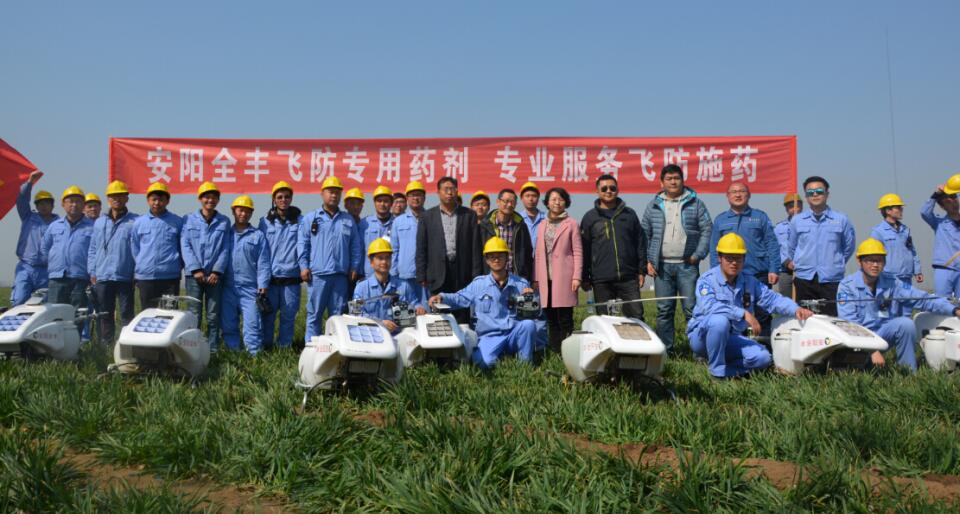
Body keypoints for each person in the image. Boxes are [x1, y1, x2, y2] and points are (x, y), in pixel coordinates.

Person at [687, 233, 814, 379]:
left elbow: (772, 299)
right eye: (729, 258)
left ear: (744, 260)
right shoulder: (707, 280)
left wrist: (796, 309)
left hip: (731, 337)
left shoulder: (749, 281)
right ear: (720, 258)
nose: (734, 263)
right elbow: (710, 306)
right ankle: (717, 374)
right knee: (719, 322)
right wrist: (743, 314)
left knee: (763, 358)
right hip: (702, 337)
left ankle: (727, 372)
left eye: (738, 259)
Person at [837, 239, 960, 372]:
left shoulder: (893, 283)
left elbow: (923, 299)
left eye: (879, 260)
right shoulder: (847, 286)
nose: (875, 265)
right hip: (857, 340)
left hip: (882, 335)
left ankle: (908, 373)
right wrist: (872, 350)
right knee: (855, 367)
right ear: (859, 261)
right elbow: (850, 325)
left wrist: (954, 309)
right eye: (870, 260)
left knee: (905, 324)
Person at [428, 237, 536, 369]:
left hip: (513, 332)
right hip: (490, 336)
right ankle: (500, 354)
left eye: (500, 256)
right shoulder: (479, 284)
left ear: (507, 258)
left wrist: (531, 298)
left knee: (528, 325)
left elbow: (537, 313)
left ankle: (525, 365)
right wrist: (441, 297)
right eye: (492, 257)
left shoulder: (521, 284)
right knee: (484, 364)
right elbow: (459, 298)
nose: (496, 260)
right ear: (487, 260)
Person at [641, 165, 712, 352]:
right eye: (669, 178)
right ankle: (666, 351)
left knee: (692, 309)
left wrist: (698, 255)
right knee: (664, 311)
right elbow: (644, 234)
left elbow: (707, 229)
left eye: (677, 178)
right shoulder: (654, 205)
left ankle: (697, 350)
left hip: (687, 266)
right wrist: (648, 261)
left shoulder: (695, 203)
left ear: (683, 180)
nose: (673, 182)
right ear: (661, 182)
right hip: (661, 267)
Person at [708, 182, 780, 336]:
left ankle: (765, 348)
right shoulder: (721, 220)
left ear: (749, 195)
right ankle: (735, 347)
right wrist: (716, 273)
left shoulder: (760, 217)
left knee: (762, 312)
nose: (738, 194)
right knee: (732, 313)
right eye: (733, 191)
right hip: (730, 277)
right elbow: (714, 249)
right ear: (727, 196)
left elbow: (771, 243)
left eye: (742, 191)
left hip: (758, 273)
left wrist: (774, 268)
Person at [298, 176, 362, 340]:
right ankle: (311, 350)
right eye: (330, 192)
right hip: (318, 276)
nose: (334, 195)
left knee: (337, 318)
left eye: (337, 192)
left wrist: (354, 266)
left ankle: (335, 351)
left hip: (340, 276)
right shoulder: (311, 218)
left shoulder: (347, 220)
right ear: (322, 194)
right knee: (314, 316)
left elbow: (355, 246)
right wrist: (303, 266)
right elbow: (303, 245)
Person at [786, 176, 856, 317]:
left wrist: (836, 262)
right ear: (806, 197)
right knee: (806, 320)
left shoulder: (841, 219)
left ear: (827, 194)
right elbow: (791, 247)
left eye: (819, 191)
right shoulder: (797, 221)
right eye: (810, 192)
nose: (815, 195)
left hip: (831, 279)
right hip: (805, 279)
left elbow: (848, 246)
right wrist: (801, 262)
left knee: (832, 320)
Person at [416, 177, 482, 323]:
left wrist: (476, 275)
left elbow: (476, 248)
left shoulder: (469, 215)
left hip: (462, 273)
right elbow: (421, 247)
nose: (450, 193)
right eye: (446, 189)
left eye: (452, 189)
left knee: (461, 314)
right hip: (436, 272)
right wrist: (421, 274)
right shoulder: (427, 216)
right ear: (438, 192)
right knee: (437, 315)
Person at [583, 174, 648, 320]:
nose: (608, 191)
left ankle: (633, 343)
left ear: (617, 190)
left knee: (636, 317)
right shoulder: (590, 218)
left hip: (628, 277)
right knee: (605, 320)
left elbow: (640, 243)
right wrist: (584, 277)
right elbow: (584, 248)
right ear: (597, 191)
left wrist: (641, 270)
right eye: (604, 188)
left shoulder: (629, 214)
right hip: (601, 279)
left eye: (612, 188)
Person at [180, 181, 230, 351]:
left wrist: (217, 270)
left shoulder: (224, 221)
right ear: (200, 199)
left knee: (213, 314)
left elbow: (225, 248)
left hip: (214, 276)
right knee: (193, 314)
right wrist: (195, 268)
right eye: (207, 197)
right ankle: (193, 347)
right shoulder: (188, 219)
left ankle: (212, 349)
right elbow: (185, 245)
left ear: (218, 200)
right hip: (194, 276)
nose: (210, 200)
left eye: (214, 197)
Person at [87, 180, 138, 343]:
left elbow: (138, 250)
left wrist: (137, 272)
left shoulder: (135, 222)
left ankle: (126, 345)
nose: (116, 199)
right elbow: (93, 248)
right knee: (104, 314)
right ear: (108, 199)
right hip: (103, 275)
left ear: (127, 198)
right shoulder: (100, 222)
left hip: (125, 275)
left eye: (120, 196)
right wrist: (92, 271)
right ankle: (106, 346)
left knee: (126, 314)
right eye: (113, 196)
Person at [533, 187, 582, 352]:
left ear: (565, 202)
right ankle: (555, 351)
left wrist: (577, 276)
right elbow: (538, 253)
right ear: (547, 203)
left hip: (564, 276)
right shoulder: (542, 225)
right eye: (553, 199)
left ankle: (568, 351)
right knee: (551, 318)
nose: (557, 202)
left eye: (560, 199)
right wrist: (536, 278)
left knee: (565, 317)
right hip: (545, 277)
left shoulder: (571, 223)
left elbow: (577, 251)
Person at [222, 196, 271, 355]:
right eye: (240, 210)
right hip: (228, 287)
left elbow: (263, 263)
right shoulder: (226, 234)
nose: (243, 213)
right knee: (229, 324)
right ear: (233, 211)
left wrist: (263, 284)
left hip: (250, 290)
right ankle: (233, 354)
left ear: (251, 213)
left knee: (252, 325)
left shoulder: (257, 236)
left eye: (247, 211)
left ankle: (254, 356)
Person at [258, 180, 302, 350]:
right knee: (268, 316)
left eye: (287, 197)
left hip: (291, 279)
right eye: (280, 197)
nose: (284, 200)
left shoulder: (300, 221)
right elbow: (261, 252)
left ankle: (284, 348)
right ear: (274, 199)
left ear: (291, 198)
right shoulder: (265, 222)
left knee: (288, 317)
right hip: (272, 280)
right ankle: (267, 347)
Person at [353, 239, 426, 333]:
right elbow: (355, 314)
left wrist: (419, 308)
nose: (384, 262)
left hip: (399, 337)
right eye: (380, 258)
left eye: (387, 258)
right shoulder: (361, 288)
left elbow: (414, 302)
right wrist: (380, 323)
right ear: (371, 262)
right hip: (372, 337)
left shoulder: (404, 286)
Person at [130, 182, 183, 309]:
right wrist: (143, 264)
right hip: (146, 277)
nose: (157, 203)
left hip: (170, 277)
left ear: (167, 201)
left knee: (170, 315)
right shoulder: (139, 223)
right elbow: (135, 248)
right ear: (148, 200)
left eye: (161, 199)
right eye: (154, 199)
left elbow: (182, 248)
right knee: (148, 314)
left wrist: (177, 264)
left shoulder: (177, 221)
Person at [41, 186, 94, 311]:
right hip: (57, 278)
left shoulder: (92, 227)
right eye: (70, 201)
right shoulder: (54, 226)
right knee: (55, 315)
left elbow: (95, 252)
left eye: (78, 201)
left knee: (77, 316)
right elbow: (45, 248)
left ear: (83, 205)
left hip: (80, 278)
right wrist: (54, 264)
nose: (74, 204)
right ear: (63, 204)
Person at [12, 171, 58, 306]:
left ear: (52, 205)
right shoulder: (28, 217)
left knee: (44, 306)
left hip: (47, 270)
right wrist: (30, 183)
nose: (43, 206)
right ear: (36, 206)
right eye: (40, 203)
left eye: (47, 203)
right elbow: (21, 200)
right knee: (19, 300)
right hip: (26, 267)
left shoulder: (60, 224)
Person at [478, 189, 534, 281]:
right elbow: (478, 255)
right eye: (506, 201)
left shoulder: (520, 225)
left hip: (515, 278)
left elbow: (527, 254)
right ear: (498, 202)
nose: (509, 205)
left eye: (512, 202)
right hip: (490, 278)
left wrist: (527, 278)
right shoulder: (485, 225)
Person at [921, 174, 960, 297]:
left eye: (954, 197)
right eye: (948, 199)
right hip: (945, 268)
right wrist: (936, 194)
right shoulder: (939, 223)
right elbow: (924, 212)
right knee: (942, 303)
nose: (952, 201)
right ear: (942, 206)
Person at [871, 193, 922, 287]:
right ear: (888, 210)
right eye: (898, 207)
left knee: (907, 301)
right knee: (892, 302)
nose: (901, 210)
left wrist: (917, 271)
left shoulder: (905, 230)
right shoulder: (878, 232)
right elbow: (874, 257)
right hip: (889, 279)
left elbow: (912, 251)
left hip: (906, 277)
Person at [391, 181, 428, 303]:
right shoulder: (398, 221)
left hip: (426, 277)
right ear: (407, 198)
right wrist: (393, 274)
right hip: (404, 276)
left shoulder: (432, 218)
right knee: (405, 316)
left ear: (424, 198)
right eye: (412, 195)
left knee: (426, 314)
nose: (416, 198)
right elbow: (394, 250)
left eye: (419, 195)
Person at [362, 185, 395, 277]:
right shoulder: (364, 223)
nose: (382, 204)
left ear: (391, 203)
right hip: (368, 274)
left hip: (391, 274)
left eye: (386, 201)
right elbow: (358, 248)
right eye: (379, 201)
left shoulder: (398, 224)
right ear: (374, 203)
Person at [775, 193, 802, 297]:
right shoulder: (779, 228)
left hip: (804, 272)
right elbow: (774, 249)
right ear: (786, 208)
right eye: (790, 206)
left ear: (801, 206)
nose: (794, 208)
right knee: (787, 305)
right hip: (785, 271)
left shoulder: (809, 225)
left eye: (796, 205)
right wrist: (787, 262)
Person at [519, 182, 545, 248]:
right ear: (521, 198)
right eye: (527, 196)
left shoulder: (546, 218)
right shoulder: (517, 218)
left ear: (538, 198)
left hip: (542, 257)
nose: (531, 199)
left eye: (534, 196)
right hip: (523, 257)